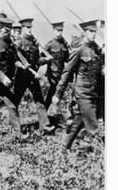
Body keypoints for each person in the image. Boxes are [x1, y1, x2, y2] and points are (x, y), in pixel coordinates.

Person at [52, 20, 104, 150]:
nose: (93, 34)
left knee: (77, 122)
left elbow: (99, 72)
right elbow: (67, 72)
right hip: (83, 93)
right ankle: (101, 157)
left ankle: (62, 148)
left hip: (94, 93)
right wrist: (58, 94)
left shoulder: (96, 49)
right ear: (85, 32)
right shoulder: (79, 50)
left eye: (94, 32)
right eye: (91, 32)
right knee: (93, 128)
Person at [12, 18, 50, 132]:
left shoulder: (34, 41)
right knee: (15, 101)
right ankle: (14, 125)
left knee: (39, 100)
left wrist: (45, 60)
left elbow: (37, 59)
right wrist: (21, 65)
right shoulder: (18, 43)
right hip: (21, 76)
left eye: (30, 28)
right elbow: (14, 60)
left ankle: (45, 125)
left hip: (33, 76)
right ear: (22, 29)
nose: (29, 30)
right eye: (27, 28)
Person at [44, 21, 70, 109]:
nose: (60, 33)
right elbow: (41, 59)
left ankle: (53, 113)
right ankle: (46, 112)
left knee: (58, 94)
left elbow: (67, 58)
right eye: (58, 31)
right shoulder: (50, 44)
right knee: (52, 93)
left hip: (61, 73)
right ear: (53, 31)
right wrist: (46, 59)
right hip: (52, 74)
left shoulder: (64, 44)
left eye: (61, 31)